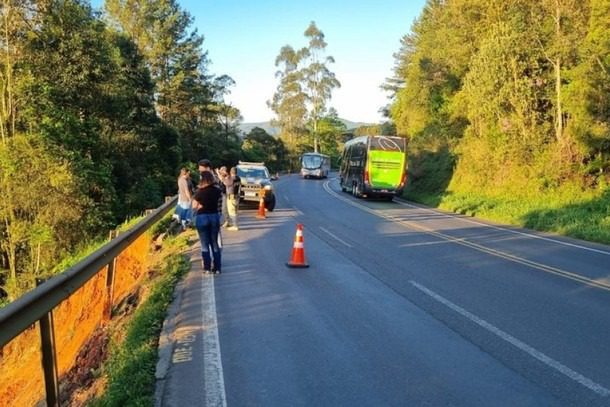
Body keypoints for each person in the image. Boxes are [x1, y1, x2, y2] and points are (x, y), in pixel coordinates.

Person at [192, 171, 223, 275]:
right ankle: (218, 268)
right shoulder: (217, 190)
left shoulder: (200, 191)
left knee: (204, 244)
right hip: (214, 216)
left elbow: (194, 206)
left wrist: (200, 206)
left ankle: (207, 268)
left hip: (202, 217)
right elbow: (219, 204)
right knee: (214, 243)